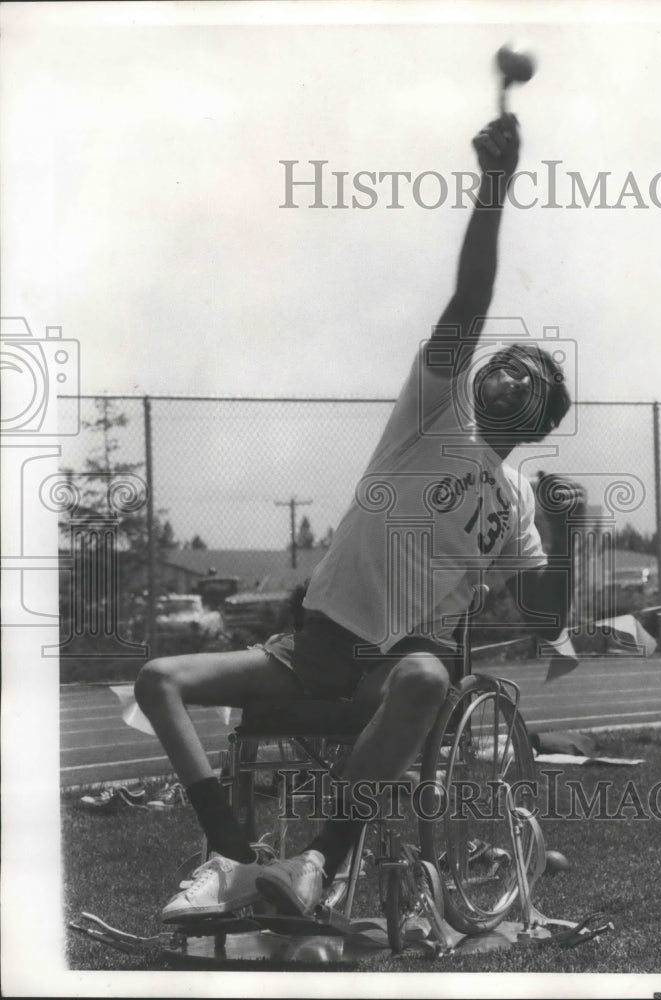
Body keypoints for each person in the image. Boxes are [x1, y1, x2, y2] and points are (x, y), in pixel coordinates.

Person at [135, 112, 574, 923]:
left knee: (421, 674)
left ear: (541, 421)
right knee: (158, 678)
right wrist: (494, 184)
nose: (506, 375)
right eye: (503, 363)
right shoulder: (431, 419)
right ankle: (232, 857)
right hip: (313, 650)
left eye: (527, 379)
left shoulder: (514, 509)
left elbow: (544, 614)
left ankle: (315, 864)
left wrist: (568, 535)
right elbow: (469, 298)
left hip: (399, 666)